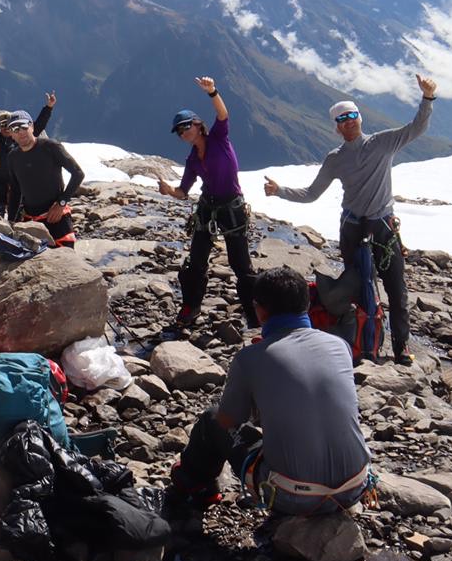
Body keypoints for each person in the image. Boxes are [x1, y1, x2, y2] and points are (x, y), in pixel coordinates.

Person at [167, 267, 372, 516]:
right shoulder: (339, 345)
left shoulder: (250, 358)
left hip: (294, 497)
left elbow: (227, 420)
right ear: (307, 305)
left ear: (260, 310)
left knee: (211, 420)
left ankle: (195, 487)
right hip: (355, 487)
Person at [263, 74, 437, 366]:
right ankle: (366, 344)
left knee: (396, 289)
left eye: (352, 116)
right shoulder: (336, 158)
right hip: (357, 229)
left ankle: (400, 346)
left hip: (380, 228)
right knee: (360, 288)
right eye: (342, 119)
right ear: (337, 126)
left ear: (360, 117)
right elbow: (311, 193)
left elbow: (417, 128)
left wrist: (428, 98)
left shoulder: (383, 142)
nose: (349, 122)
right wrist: (279, 191)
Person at [157, 77, 256, 334]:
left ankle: (255, 313)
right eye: (179, 131)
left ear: (199, 125)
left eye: (186, 126)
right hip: (209, 207)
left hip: (230, 206)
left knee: (240, 264)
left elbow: (223, 115)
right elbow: (183, 191)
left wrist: (212, 91)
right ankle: (191, 307)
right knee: (196, 261)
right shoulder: (191, 160)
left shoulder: (219, 139)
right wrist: (169, 191)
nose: (183, 132)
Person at [3, 111, 84, 247]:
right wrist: (11, 222)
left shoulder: (51, 147)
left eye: (23, 126)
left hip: (57, 216)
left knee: (64, 259)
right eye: (15, 129)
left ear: (32, 127)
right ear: (11, 134)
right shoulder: (13, 157)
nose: (21, 132)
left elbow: (78, 173)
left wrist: (61, 203)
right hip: (31, 220)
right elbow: (15, 191)